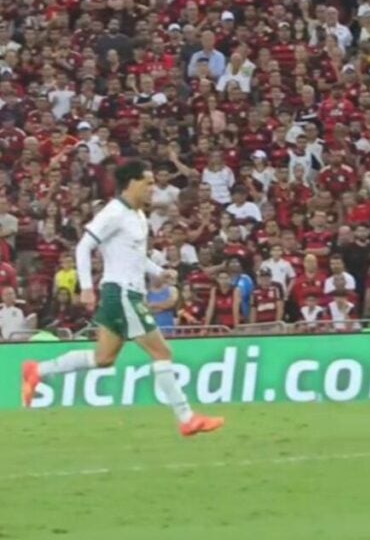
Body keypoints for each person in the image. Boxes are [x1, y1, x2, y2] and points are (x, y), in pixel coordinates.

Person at [21, 161, 223, 436]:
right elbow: (84, 246)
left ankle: (37, 370)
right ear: (132, 184)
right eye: (148, 183)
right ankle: (186, 418)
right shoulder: (114, 212)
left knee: (103, 358)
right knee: (162, 352)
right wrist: (87, 287)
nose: (153, 188)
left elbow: (135, 256)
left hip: (127, 292)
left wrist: (158, 272)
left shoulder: (138, 216)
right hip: (122, 292)